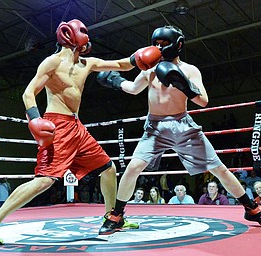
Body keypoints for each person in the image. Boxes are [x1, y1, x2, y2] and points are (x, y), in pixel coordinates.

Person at [0, 19, 162, 245]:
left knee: (108, 168)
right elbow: (28, 93)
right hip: (57, 125)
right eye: (83, 31)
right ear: (69, 35)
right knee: (44, 181)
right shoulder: (52, 62)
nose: (87, 37)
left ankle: (112, 216)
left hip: (77, 127)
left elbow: (122, 65)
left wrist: (144, 55)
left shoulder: (87, 63)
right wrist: (35, 119)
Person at [97, 25, 261, 235]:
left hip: (183, 126)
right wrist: (114, 80)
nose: (159, 48)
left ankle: (251, 208)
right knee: (133, 167)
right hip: (154, 127)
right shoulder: (150, 69)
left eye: (164, 44)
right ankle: (117, 215)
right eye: (156, 44)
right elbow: (133, 89)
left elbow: (203, 101)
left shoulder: (190, 70)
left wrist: (182, 83)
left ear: (178, 45)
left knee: (218, 169)